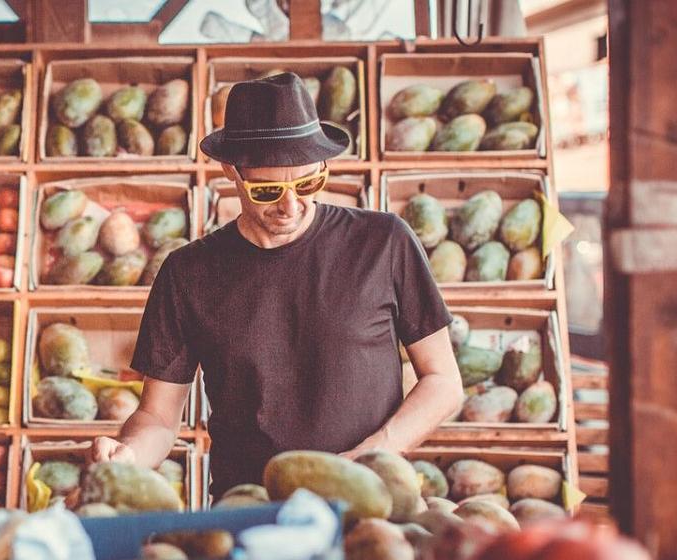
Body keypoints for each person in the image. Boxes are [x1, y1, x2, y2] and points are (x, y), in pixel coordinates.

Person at [91, 73, 465, 498]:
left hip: (370, 501)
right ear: (232, 171)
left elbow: (443, 381)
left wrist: (371, 455)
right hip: (249, 508)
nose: (290, 205)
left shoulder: (383, 242)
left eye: (308, 183)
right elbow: (157, 417)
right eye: (267, 190)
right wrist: (128, 456)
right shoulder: (187, 273)